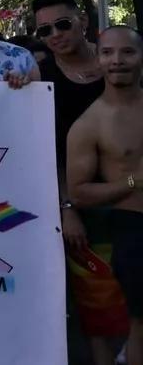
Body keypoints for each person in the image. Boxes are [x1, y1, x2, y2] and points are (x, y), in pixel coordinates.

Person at [30, 0, 114, 365]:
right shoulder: (40, 77)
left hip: (130, 198)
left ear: (82, 22)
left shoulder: (117, 63)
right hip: (77, 204)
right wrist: (67, 208)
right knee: (95, 303)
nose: (55, 35)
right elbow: (46, 151)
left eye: (62, 24)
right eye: (45, 30)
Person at [68, 27, 143, 365]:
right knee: (139, 326)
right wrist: (133, 182)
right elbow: (79, 192)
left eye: (127, 52)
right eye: (108, 53)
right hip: (132, 230)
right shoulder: (89, 125)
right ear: (98, 60)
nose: (117, 61)